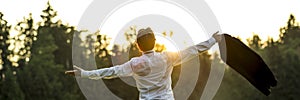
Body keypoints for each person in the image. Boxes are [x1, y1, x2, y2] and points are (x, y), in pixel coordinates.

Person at [65, 27, 222, 100]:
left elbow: (109, 72)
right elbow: (192, 50)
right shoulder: (167, 57)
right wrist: (213, 40)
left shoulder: (134, 64)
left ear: (138, 45)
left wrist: (84, 73)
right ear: (154, 42)